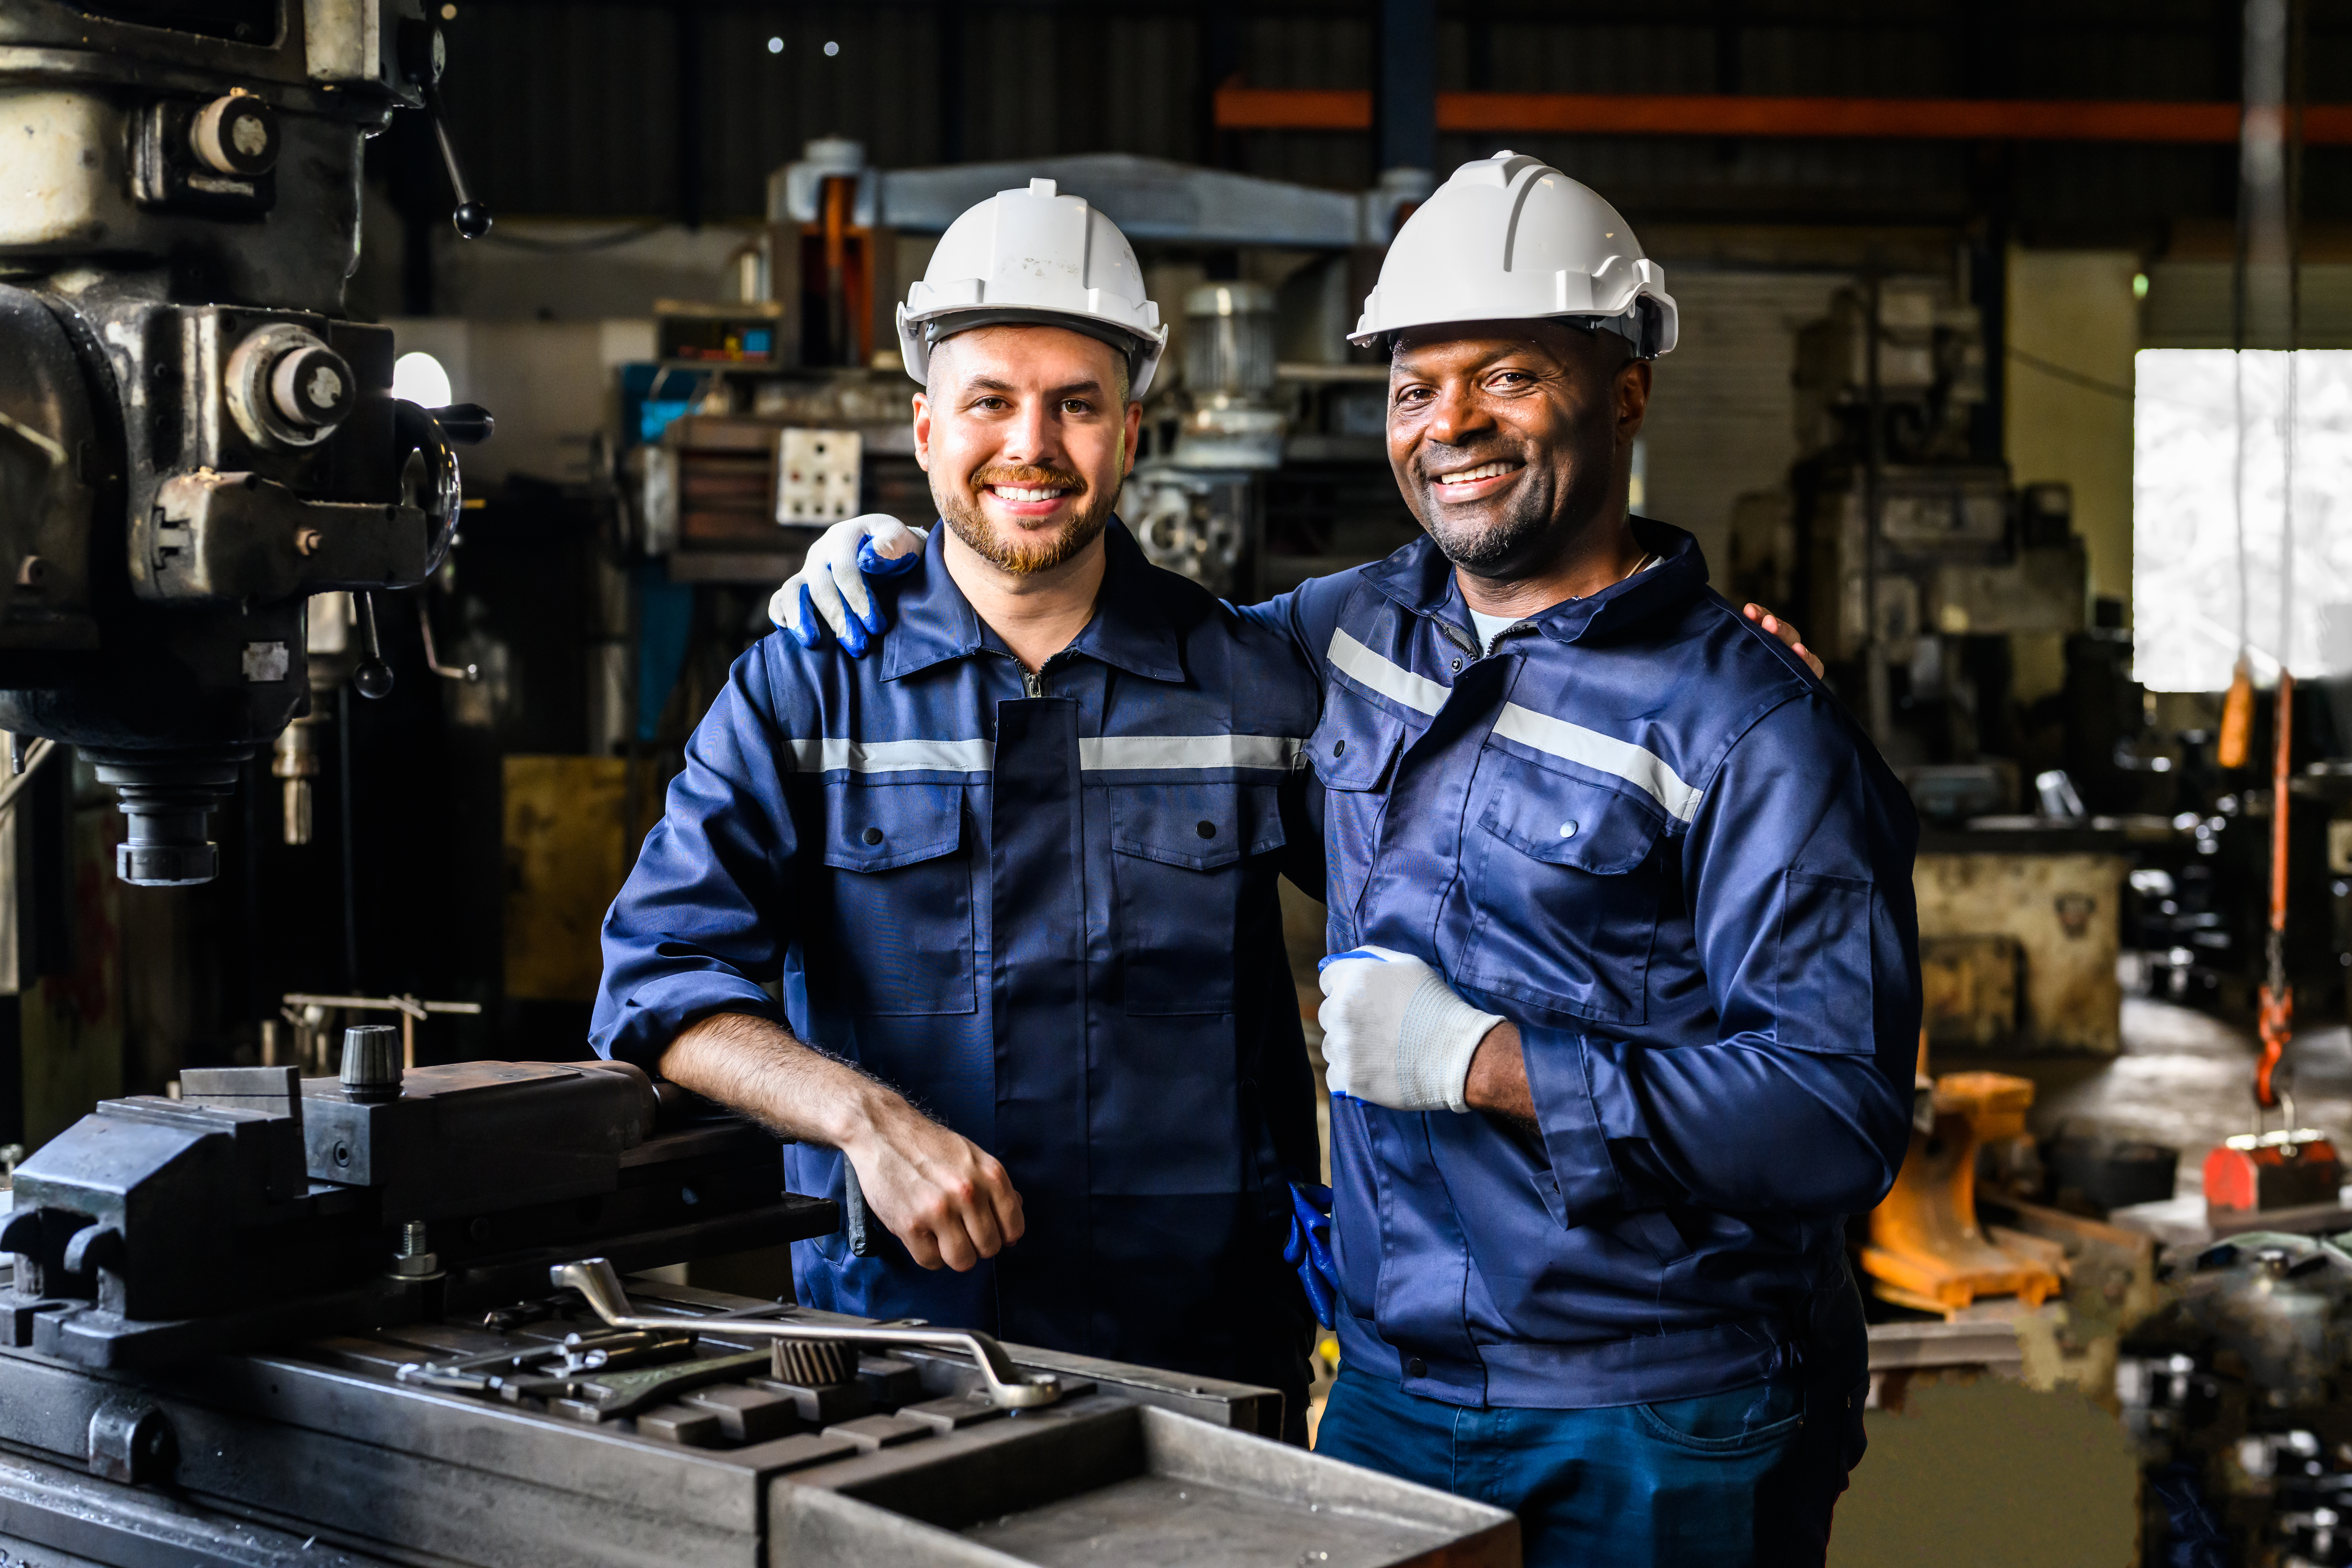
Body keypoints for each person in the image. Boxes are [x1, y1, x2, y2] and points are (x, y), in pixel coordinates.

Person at [772, 152, 1917, 1568]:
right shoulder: (1348, 636)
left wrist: (1482, 1060)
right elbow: (1108, 643)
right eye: (1415, 387)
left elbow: (1833, 1114)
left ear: (1624, 386)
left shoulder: (1753, 723)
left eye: (1509, 377)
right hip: (1387, 1388)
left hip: (1654, 1406)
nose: (1454, 426)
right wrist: (917, 560)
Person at [590, 179, 1330, 1431]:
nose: (1031, 443)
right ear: (927, 429)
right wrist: (862, 1119)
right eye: (991, 401)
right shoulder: (808, 687)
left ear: (1131, 432)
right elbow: (654, 986)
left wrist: (1686, 646)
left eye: (1076, 404)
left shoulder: (1253, 683)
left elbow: (1455, 860)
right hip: (899, 1360)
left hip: (1206, 1358)